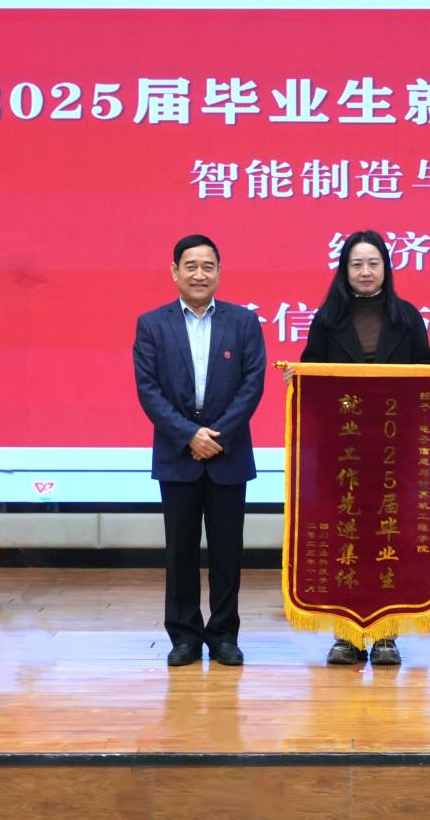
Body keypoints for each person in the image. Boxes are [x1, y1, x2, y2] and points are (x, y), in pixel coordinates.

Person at [295, 230, 430, 666]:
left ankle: (385, 636)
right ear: (345, 269)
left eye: (373, 263)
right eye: (357, 264)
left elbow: (426, 369)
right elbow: (311, 374)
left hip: (392, 451)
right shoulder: (327, 320)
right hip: (342, 451)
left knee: (388, 538)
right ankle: (346, 636)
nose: (365, 271)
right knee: (345, 537)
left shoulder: (406, 317)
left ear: (386, 268)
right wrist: (299, 378)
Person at [133, 234, 266, 668]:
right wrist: (190, 435)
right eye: (190, 266)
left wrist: (217, 436)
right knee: (181, 552)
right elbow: (149, 390)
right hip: (178, 456)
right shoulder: (152, 324)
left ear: (219, 272)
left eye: (208, 266)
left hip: (229, 455)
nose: (199, 274)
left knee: (227, 552)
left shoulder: (243, 322)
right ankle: (185, 636)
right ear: (175, 271)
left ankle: (224, 635)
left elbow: (252, 384)